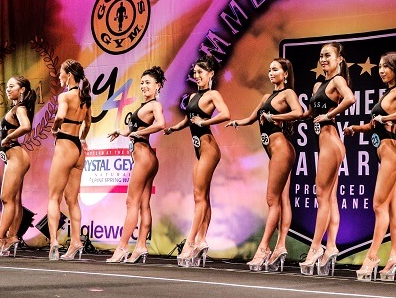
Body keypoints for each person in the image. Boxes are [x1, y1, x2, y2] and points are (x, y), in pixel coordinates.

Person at [226, 58, 303, 272]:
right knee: (282, 200)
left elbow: (298, 112)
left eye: (275, 69)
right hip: (274, 152)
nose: (271, 73)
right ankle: (280, 246)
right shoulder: (266, 97)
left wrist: (275, 116)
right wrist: (238, 122)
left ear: (285, 73)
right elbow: (253, 118)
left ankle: (263, 248)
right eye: (269, 70)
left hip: (281, 149)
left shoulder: (288, 93)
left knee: (272, 200)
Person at [345, 51, 396, 282]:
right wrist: (356, 129)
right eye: (380, 66)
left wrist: (385, 118)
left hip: (392, 153)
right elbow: (374, 125)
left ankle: (372, 256)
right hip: (388, 153)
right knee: (392, 207)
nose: (381, 70)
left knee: (378, 205)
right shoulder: (388, 93)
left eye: (386, 66)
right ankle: (395, 255)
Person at [164, 55, 230, 268]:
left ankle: (191, 241)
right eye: (195, 72)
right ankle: (202, 240)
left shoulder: (213, 94)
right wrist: (175, 127)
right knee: (202, 197)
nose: (197, 75)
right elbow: (189, 118)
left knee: (199, 196)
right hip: (198, 151)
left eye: (200, 72)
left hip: (209, 148)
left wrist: (205, 121)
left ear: (211, 74)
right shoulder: (193, 96)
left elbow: (226, 114)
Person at [298, 42, 356, 276]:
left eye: (328, 55)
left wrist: (328, 115)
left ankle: (315, 248)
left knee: (321, 197)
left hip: (331, 142)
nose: (323, 59)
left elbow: (350, 99)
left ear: (339, 59)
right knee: (330, 199)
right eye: (321, 56)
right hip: (327, 143)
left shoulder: (338, 80)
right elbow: (309, 113)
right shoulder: (318, 84)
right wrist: (290, 116)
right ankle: (331, 246)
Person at [106, 66, 166, 264]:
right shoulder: (144, 106)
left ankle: (122, 247)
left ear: (158, 86)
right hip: (146, 157)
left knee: (131, 202)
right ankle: (140, 246)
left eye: (148, 82)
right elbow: (135, 129)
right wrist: (123, 132)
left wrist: (138, 133)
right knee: (143, 204)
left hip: (144, 157)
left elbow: (161, 124)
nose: (143, 86)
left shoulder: (154, 105)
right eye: (141, 83)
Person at [46, 59, 92, 261]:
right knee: (72, 200)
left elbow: (60, 116)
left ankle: (54, 242)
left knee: (54, 197)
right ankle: (76, 242)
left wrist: (54, 129)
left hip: (65, 145)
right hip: (78, 148)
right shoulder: (85, 98)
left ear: (69, 75)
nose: (59, 76)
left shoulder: (65, 96)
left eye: (61, 73)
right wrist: (82, 139)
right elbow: (87, 124)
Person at [0, 76, 37, 257]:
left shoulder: (20, 108)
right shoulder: (16, 108)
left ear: (22, 89)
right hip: (16, 157)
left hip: (16, 157)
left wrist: (8, 138)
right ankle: (12, 237)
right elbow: (8, 130)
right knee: (15, 200)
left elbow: (26, 126)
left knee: (6, 198)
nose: (8, 89)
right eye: (7, 87)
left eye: (11, 86)